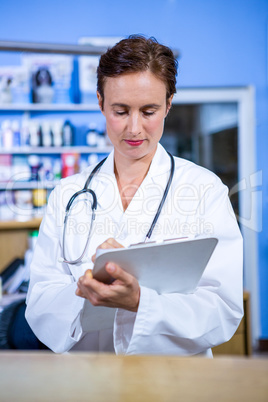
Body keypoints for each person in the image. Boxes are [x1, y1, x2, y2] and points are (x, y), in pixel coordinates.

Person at [25, 35, 243, 356]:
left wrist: (140, 302)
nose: (134, 129)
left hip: (174, 380)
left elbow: (222, 307)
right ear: (100, 102)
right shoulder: (67, 194)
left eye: (149, 110)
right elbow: (40, 299)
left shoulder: (204, 190)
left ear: (168, 105)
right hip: (88, 377)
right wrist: (86, 290)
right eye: (121, 110)